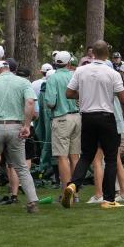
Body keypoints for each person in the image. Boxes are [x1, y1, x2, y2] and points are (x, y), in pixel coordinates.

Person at [61, 41, 124, 209]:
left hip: (87, 117)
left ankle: (73, 184)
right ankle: (108, 199)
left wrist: (84, 94)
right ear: (107, 54)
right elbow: (123, 99)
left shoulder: (80, 70)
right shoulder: (112, 73)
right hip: (106, 116)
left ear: (92, 53)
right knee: (110, 157)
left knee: (86, 154)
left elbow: (69, 93)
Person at [0, 58, 40, 212]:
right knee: (21, 167)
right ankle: (32, 201)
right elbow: (30, 102)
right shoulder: (23, 83)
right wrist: (26, 125)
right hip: (16, 127)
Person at [44, 51, 79, 198]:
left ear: (55, 62)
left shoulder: (53, 78)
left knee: (62, 157)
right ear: (69, 63)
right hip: (77, 117)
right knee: (74, 156)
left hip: (62, 118)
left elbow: (51, 102)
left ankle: (67, 193)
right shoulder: (74, 75)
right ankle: (75, 193)